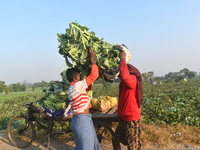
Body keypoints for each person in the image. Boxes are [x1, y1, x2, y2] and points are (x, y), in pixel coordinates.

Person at [66, 49, 101, 150]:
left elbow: (88, 86)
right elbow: (94, 75)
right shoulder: (77, 86)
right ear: (76, 77)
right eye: (80, 76)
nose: (81, 78)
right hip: (82, 120)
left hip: (83, 119)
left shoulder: (73, 88)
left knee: (93, 145)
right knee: (86, 148)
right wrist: (92, 59)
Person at [112, 51, 143, 150]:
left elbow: (125, 76)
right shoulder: (124, 83)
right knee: (115, 139)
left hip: (131, 118)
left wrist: (122, 60)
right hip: (124, 116)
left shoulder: (133, 79)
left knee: (133, 145)